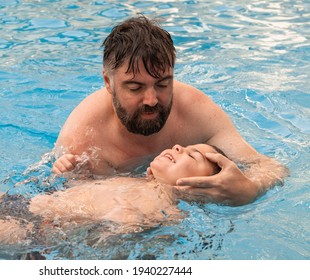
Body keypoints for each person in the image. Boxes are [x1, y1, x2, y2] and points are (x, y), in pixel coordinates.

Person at [52, 15, 288, 206]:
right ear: (108, 82)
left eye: (163, 84)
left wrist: (250, 188)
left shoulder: (195, 111)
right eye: (135, 87)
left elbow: (271, 167)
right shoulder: (83, 136)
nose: (152, 100)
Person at [0, 144, 221, 259]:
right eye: (181, 147)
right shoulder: (132, 178)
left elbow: (123, 242)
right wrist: (70, 171)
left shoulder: (168, 212)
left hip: (39, 232)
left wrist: (124, 223)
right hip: (23, 203)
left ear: (199, 185)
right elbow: (81, 193)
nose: (179, 146)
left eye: (192, 155)